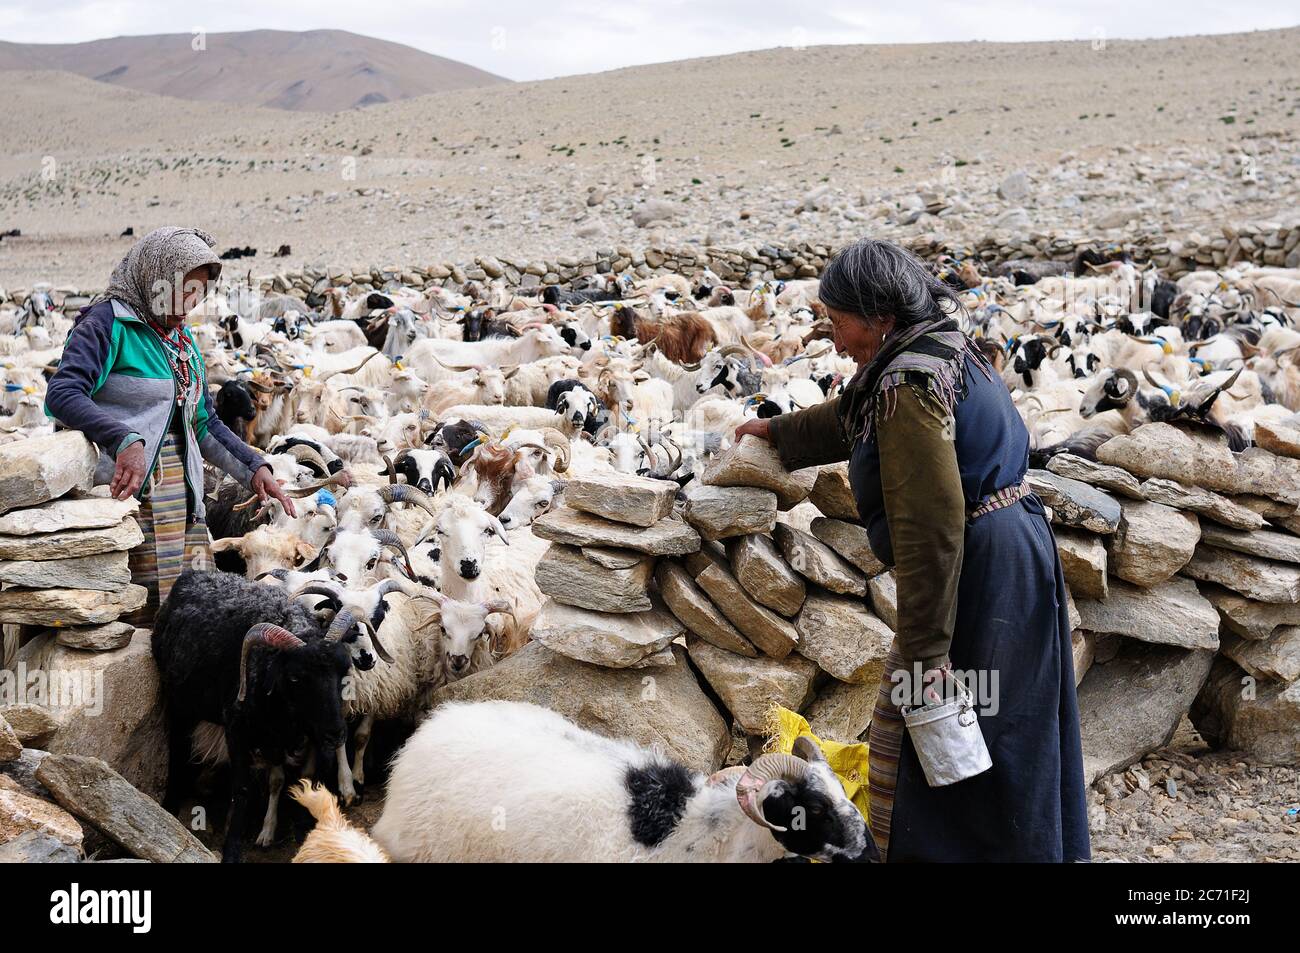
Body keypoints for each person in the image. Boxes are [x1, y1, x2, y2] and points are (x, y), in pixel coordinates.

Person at [736, 239, 1090, 862]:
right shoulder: (934, 347)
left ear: (877, 315)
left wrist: (927, 656)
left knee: (969, 734)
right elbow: (854, 414)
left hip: (977, 576)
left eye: (839, 322)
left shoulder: (908, 382)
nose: (835, 339)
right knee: (1003, 727)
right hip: (1008, 556)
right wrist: (780, 431)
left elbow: (929, 528)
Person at [45, 226, 296, 617]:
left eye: (196, 294)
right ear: (153, 276)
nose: (187, 304)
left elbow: (205, 423)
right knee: (134, 620)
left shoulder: (180, 339)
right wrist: (122, 438)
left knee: (189, 623)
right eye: (178, 290)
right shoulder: (106, 324)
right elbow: (62, 394)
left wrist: (254, 467)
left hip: (183, 509)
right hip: (127, 502)